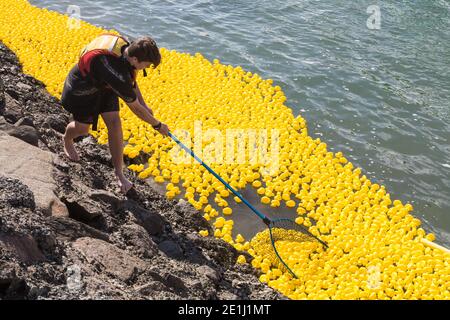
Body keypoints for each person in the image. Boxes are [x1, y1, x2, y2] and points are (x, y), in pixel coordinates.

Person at [60, 34, 169, 194]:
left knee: (115, 124)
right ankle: (67, 139)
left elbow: (131, 81)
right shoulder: (117, 74)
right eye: (145, 65)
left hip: (106, 87)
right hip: (82, 87)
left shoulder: (127, 51)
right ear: (135, 60)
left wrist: (145, 104)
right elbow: (135, 108)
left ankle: (119, 173)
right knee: (83, 130)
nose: (145, 69)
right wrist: (157, 125)